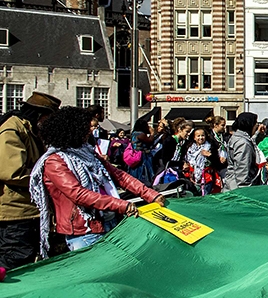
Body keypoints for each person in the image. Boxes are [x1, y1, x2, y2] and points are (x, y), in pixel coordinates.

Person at [29, 106, 165, 256]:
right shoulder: (54, 161)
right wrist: (121, 205)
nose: (90, 131)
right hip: (84, 230)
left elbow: (118, 175)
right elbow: (78, 194)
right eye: (85, 128)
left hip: (109, 221)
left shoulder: (88, 153)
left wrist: (151, 195)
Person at [0, 92, 60, 270]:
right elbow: (12, 172)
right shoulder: (12, 129)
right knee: (13, 260)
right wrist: (48, 178)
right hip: (15, 211)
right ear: (40, 115)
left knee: (21, 259)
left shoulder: (30, 129)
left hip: (26, 209)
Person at [224, 112, 263, 192]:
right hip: (237, 189)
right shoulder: (243, 143)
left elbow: (250, 140)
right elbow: (242, 170)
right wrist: (245, 192)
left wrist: (257, 133)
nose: (257, 125)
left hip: (232, 184)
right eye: (256, 123)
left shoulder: (237, 137)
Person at [181, 127, 224, 196]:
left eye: (202, 135)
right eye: (198, 136)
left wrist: (209, 155)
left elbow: (218, 163)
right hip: (192, 177)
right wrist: (184, 164)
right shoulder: (188, 148)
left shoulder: (211, 147)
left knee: (206, 196)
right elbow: (184, 159)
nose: (201, 138)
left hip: (207, 177)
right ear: (194, 137)